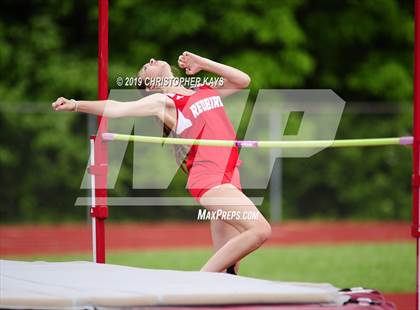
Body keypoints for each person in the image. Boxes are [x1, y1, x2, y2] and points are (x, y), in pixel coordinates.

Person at [52, 51, 271, 274]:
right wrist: (76, 104)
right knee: (259, 230)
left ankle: (214, 297)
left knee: (230, 267)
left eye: (149, 62)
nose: (151, 61)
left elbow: (243, 80)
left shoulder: (203, 89)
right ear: (150, 86)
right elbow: (116, 108)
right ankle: (196, 283)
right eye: (146, 69)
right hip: (210, 178)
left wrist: (202, 63)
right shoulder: (164, 102)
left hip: (231, 171)